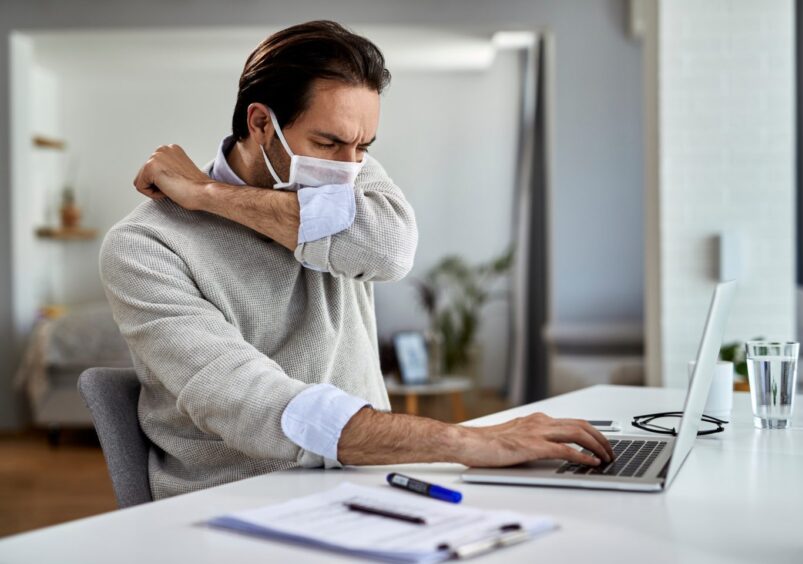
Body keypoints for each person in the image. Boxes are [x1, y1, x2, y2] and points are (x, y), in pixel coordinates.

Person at [101, 20, 612, 500]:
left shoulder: (345, 165)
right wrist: (469, 442)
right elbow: (251, 404)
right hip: (240, 498)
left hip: (370, 479)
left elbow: (389, 250)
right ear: (260, 123)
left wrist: (209, 194)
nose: (350, 171)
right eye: (327, 143)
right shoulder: (146, 247)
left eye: (363, 147)